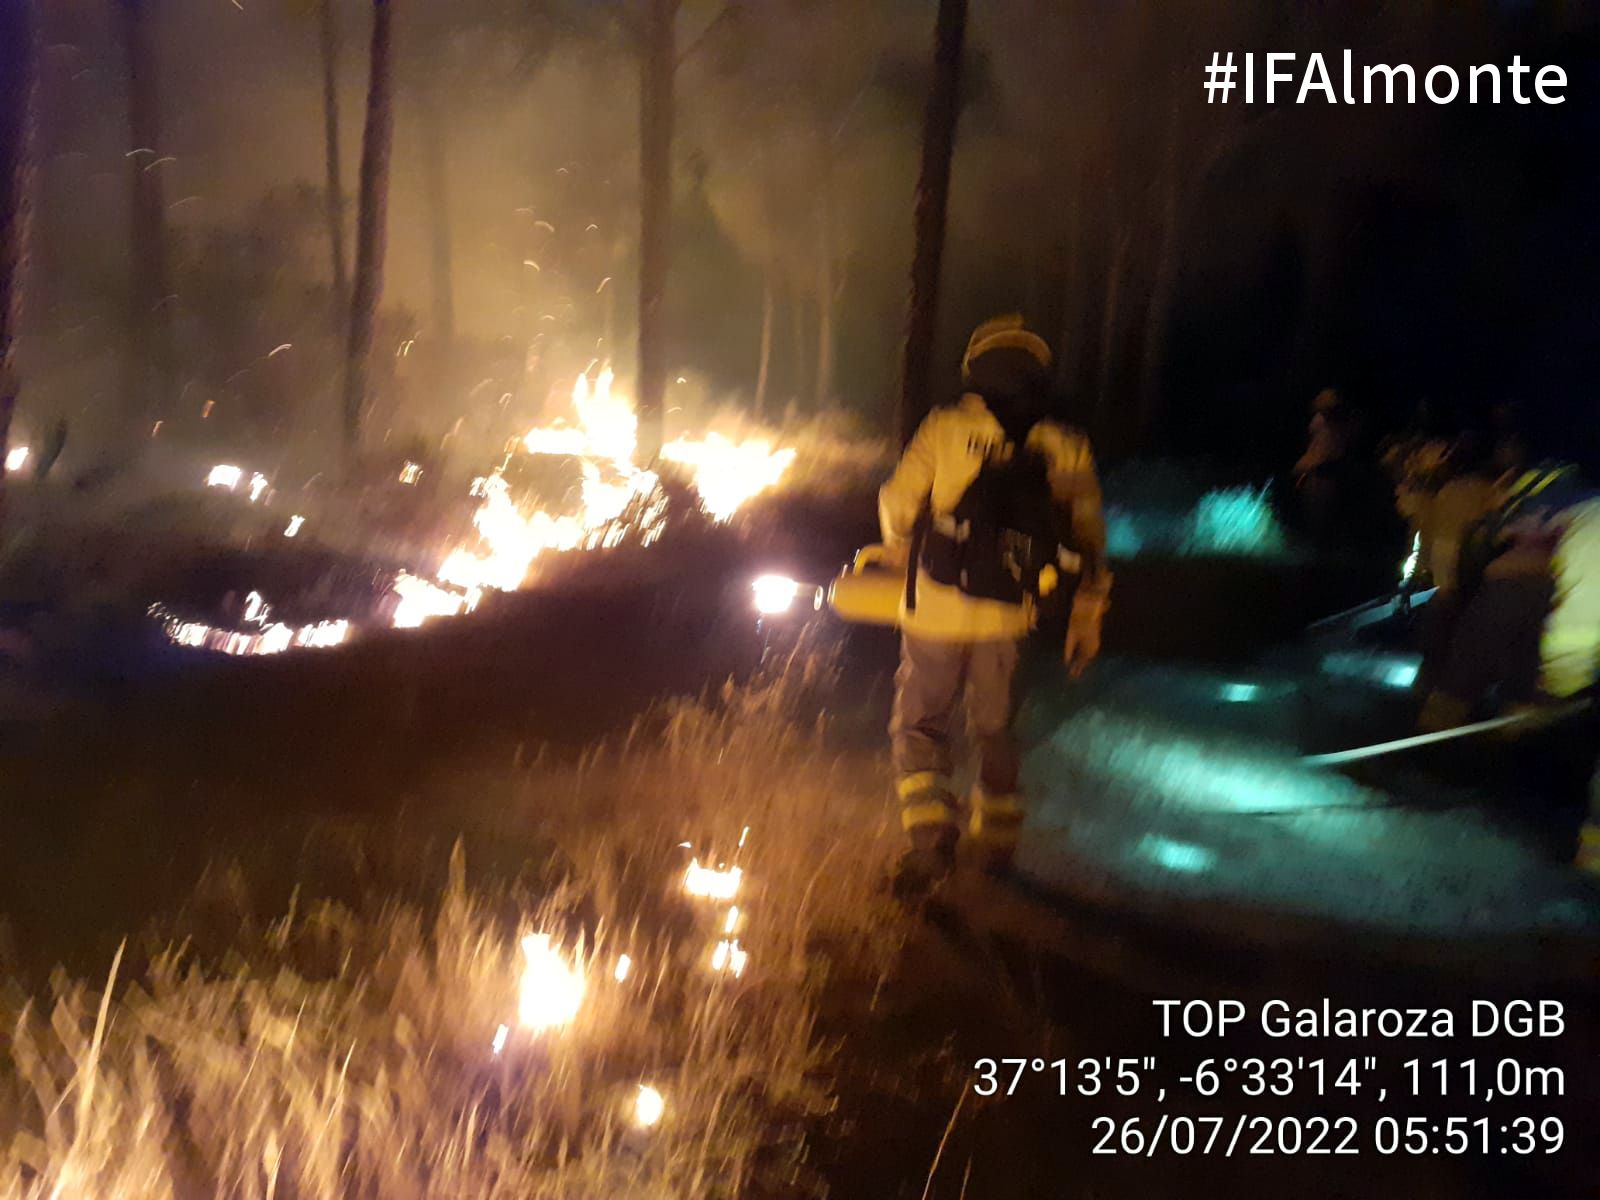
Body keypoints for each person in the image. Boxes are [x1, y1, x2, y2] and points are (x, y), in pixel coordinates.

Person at [879, 315, 1111, 889]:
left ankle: (931, 844)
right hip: (1013, 614)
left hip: (935, 605)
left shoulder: (946, 427)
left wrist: (899, 539)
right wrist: (1087, 617)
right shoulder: (1066, 444)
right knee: (996, 727)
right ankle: (998, 852)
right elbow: (1089, 540)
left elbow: (898, 509)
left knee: (919, 725)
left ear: (975, 368)